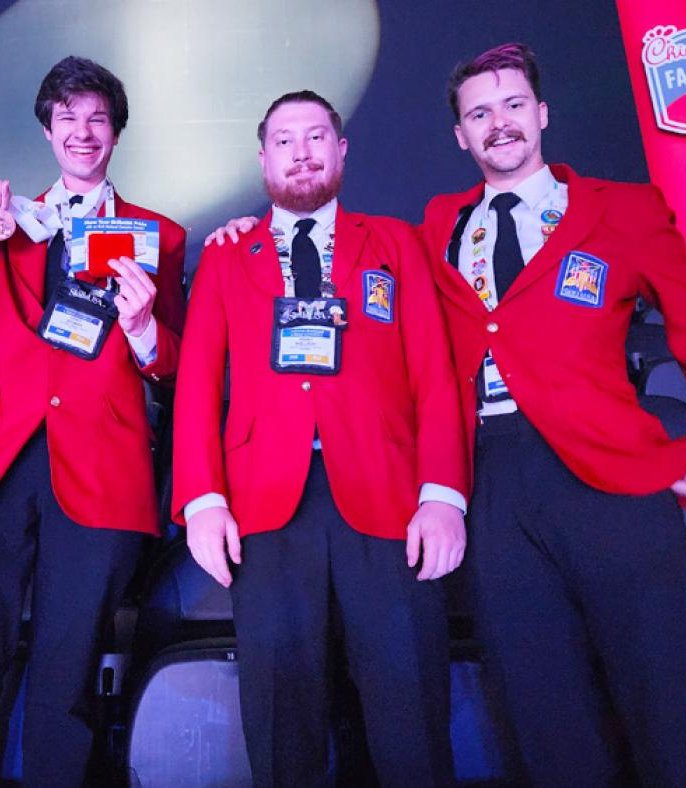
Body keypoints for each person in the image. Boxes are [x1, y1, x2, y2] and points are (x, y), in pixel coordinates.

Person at [418, 43, 686, 785]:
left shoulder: (623, 209)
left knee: (663, 695)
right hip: (492, 484)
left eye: (514, 105)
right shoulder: (438, 225)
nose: (500, 124)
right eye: (479, 113)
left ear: (543, 114)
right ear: (460, 135)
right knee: (539, 705)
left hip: (612, 481)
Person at [173, 90, 467, 788]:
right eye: (284, 140)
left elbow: (434, 370)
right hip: (263, 507)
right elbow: (193, 387)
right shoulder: (225, 256)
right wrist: (203, 500)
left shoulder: (396, 244)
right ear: (263, 157)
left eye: (316, 138)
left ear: (341, 150)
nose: (301, 152)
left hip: (391, 501)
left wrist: (444, 495)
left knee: (410, 710)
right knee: (282, 717)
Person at [0, 56, 186, 786]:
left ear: (116, 133)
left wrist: (144, 328)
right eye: (68, 118)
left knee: (68, 674)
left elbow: (175, 366)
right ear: (47, 130)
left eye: (97, 118)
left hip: (99, 465)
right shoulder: (4, 226)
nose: (82, 132)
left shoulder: (161, 235)